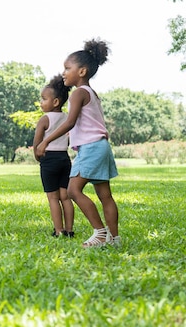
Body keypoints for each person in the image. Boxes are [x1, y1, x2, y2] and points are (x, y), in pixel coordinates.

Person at [35, 39, 120, 248]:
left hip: (91, 148)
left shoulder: (78, 93)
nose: (63, 72)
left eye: (67, 68)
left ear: (81, 71)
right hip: (101, 146)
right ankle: (114, 239)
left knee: (73, 191)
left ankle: (100, 233)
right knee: (105, 195)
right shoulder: (91, 93)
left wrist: (45, 141)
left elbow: (70, 122)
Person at [33, 74, 75, 238]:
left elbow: (37, 144)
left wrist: (39, 158)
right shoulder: (67, 118)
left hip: (49, 159)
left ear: (55, 102)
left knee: (53, 197)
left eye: (43, 99)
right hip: (64, 159)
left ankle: (59, 230)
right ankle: (70, 230)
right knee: (65, 196)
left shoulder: (44, 119)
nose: (41, 102)